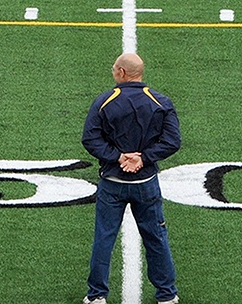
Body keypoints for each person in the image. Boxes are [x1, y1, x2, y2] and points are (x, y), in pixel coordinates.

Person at [81, 52, 181, 304]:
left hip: (112, 183)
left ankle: (96, 296)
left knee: (104, 238)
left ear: (122, 73)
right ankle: (166, 295)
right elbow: (172, 142)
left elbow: (90, 139)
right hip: (145, 183)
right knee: (156, 238)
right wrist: (143, 159)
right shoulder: (161, 102)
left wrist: (118, 157)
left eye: (114, 67)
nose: (113, 71)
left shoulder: (104, 101)